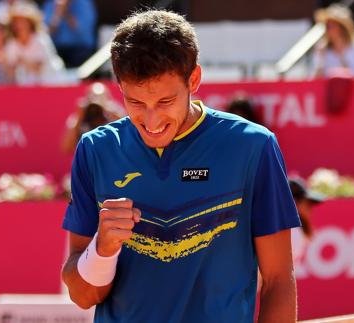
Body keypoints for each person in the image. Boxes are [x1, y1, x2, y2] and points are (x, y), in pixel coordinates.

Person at [61, 10, 300, 323]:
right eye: (135, 102)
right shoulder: (96, 150)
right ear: (119, 86)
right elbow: (82, 295)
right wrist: (102, 249)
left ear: (195, 79)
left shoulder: (253, 146)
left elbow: (279, 281)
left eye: (164, 102)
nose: (151, 121)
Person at [4, 2, 63, 85]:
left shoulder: (41, 39)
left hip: (51, 82)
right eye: (16, 22)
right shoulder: (12, 44)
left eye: (22, 21)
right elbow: (10, 72)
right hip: (26, 87)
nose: (19, 25)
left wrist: (22, 61)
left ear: (30, 23)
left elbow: (39, 68)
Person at [313, 5, 354, 77]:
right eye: (327, 26)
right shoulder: (321, 48)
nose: (328, 30)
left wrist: (341, 56)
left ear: (341, 28)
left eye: (331, 26)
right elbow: (316, 78)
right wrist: (321, 60)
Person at [43, 0, 98, 68]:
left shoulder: (84, 4)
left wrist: (66, 12)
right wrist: (57, 14)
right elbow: (46, 33)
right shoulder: (51, 4)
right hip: (57, 50)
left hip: (80, 49)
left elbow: (82, 30)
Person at [288, 179, 325, 268]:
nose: (310, 208)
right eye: (307, 203)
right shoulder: (293, 233)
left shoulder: (294, 231)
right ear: (294, 202)